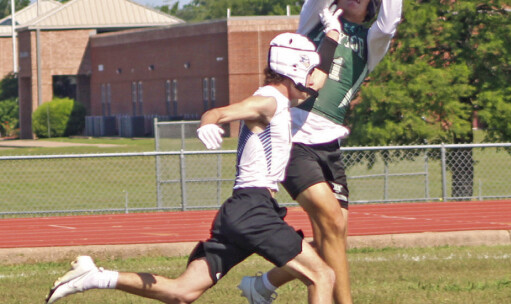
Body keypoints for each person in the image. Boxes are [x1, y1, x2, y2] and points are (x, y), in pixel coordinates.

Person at [45, 28, 343, 304]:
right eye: (307, 70)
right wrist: (208, 123)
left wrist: (331, 38)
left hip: (241, 210)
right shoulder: (269, 101)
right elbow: (219, 111)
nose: (313, 81)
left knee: (182, 292)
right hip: (254, 208)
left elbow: (316, 81)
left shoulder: (281, 97)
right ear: (292, 71)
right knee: (322, 274)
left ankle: (96, 276)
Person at [239, 1, 403, 303]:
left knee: (332, 239)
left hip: (329, 146)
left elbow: (390, 22)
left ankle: (263, 284)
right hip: (294, 139)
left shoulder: (371, 41)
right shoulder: (316, 21)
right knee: (333, 222)